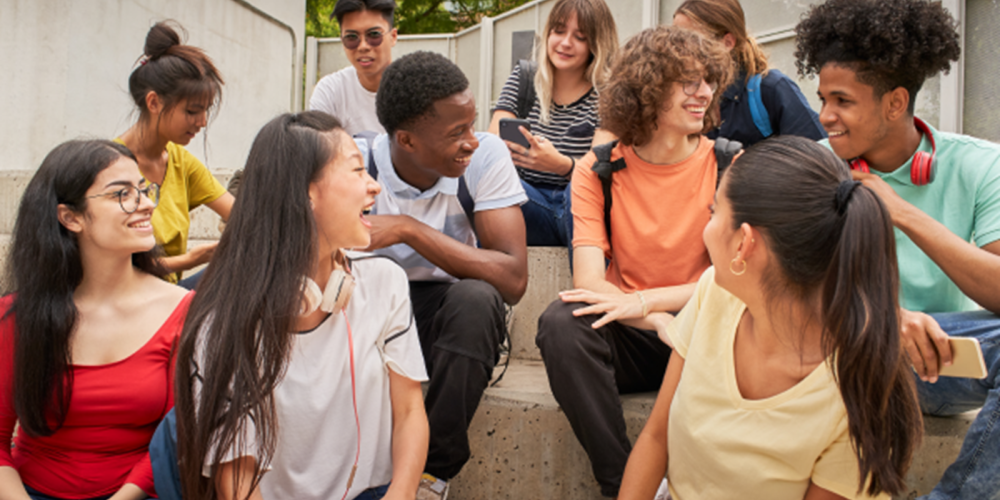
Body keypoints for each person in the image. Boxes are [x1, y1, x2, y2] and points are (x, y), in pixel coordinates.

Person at [619, 136, 923, 500]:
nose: (708, 226)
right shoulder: (714, 294)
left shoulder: (856, 390)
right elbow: (656, 435)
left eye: (715, 212)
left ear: (744, 243)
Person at [795, 1, 1000, 498]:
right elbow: (785, 285)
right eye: (822, 98)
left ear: (894, 102)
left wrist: (902, 212)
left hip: (938, 363)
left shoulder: (980, 164)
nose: (824, 116)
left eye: (842, 100)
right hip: (842, 352)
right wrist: (886, 316)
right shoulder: (811, 168)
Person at [175, 111, 429, 500]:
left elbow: (410, 410)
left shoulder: (385, 282)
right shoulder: (223, 317)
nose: (374, 186)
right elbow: (238, 478)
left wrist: (402, 493)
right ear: (306, 191)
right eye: (357, 170)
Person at [534, 25, 734, 498]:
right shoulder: (595, 170)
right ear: (646, 88)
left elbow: (728, 276)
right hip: (637, 334)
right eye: (688, 81)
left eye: (708, 80)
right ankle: (623, 483)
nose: (704, 93)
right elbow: (587, 281)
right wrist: (656, 320)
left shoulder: (729, 165)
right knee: (561, 322)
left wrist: (652, 306)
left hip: (704, 333)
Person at [363, 51, 528, 499]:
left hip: (447, 314)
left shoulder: (486, 156)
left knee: (478, 300)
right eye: (457, 133)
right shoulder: (360, 165)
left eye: (472, 125)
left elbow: (513, 278)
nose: (472, 141)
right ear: (408, 141)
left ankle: (429, 477)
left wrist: (407, 230)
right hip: (375, 313)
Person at [0, 140, 192, 500]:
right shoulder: (18, 315)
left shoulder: (183, 310)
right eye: (122, 194)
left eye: (143, 189)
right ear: (70, 217)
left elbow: (176, 436)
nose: (147, 204)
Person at [487, 0, 618, 248]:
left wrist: (562, 165)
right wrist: (506, 150)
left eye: (580, 37)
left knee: (578, 189)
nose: (565, 43)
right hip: (529, 203)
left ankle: (590, 283)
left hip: (581, 208)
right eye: (558, 31)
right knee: (484, 182)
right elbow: (491, 148)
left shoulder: (609, 93)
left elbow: (602, 171)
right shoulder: (524, 78)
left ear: (597, 44)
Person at [118, 21, 234, 288]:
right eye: (192, 111)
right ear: (154, 102)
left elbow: (240, 214)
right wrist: (190, 259)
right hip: (125, 299)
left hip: (168, 296)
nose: (202, 122)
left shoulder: (181, 162)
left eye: (206, 111)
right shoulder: (110, 166)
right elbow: (116, 264)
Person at [673, 0, 825, 147]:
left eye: (691, 40)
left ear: (727, 43)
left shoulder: (771, 88)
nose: (677, 51)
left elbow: (822, 156)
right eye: (675, 40)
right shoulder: (679, 95)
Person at [310, 0, 398, 135]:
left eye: (374, 35)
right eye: (351, 37)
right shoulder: (330, 92)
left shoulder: (417, 89)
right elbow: (320, 151)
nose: (363, 46)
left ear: (392, 37)